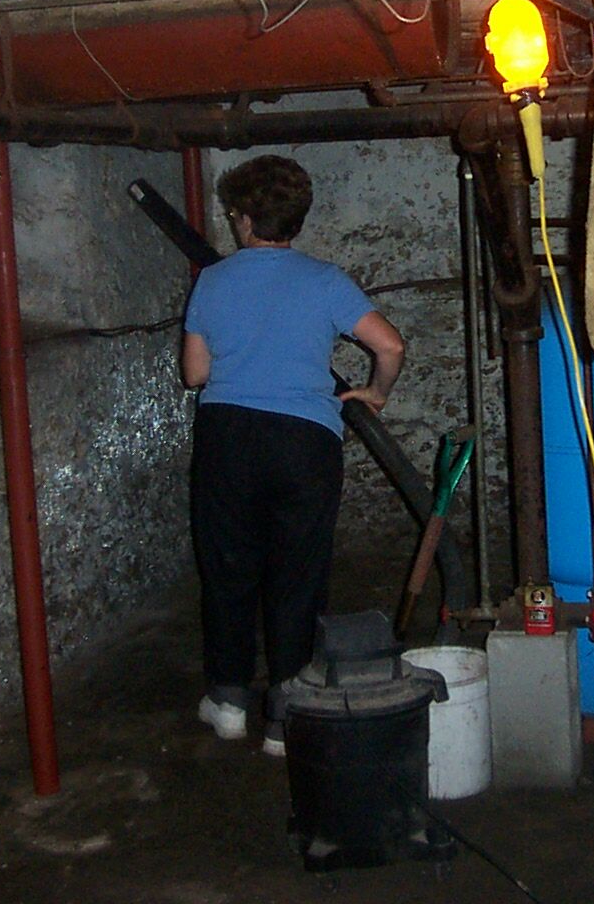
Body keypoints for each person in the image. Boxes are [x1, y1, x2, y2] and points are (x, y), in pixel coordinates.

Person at [180, 155, 405, 755]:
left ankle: (229, 701)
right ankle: (286, 715)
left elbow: (195, 374)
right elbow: (389, 345)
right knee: (297, 574)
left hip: (229, 437)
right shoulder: (325, 280)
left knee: (228, 568)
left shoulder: (213, 281)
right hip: (304, 442)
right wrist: (376, 393)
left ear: (244, 218)